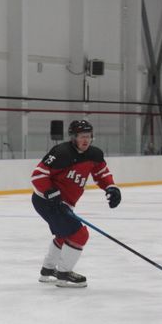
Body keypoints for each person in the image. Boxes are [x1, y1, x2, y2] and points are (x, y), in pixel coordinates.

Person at [31, 119, 120, 288]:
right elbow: (38, 175)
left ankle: (48, 270)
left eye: (88, 136)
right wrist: (51, 192)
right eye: (81, 136)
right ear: (73, 137)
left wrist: (111, 187)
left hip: (64, 203)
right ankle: (64, 275)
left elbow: (102, 174)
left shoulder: (94, 154)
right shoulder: (61, 153)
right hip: (46, 201)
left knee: (64, 235)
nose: (86, 140)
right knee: (79, 235)